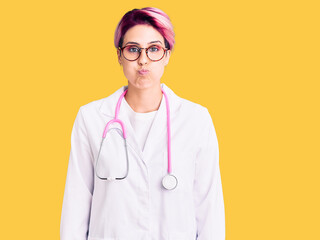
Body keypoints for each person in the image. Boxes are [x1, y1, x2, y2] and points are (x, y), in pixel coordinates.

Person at [60, 7, 225, 240]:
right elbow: (75, 208)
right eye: (133, 49)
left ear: (167, 55)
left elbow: (210, 211)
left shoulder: (196, 120)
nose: (143, 60)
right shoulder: (91, 118)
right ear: (119, 55)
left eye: (154, 49)